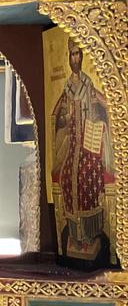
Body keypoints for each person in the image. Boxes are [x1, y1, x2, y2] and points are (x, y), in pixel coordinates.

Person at [51, 41, 115, 262]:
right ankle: (75, 235)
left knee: (86, 175)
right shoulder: (67, 88)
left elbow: (107, 107)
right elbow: (57, 118)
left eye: (78, 54)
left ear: (82, 57)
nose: (75, 59)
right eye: (72, 55)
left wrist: (98, 120)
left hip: (90, 147)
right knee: (68, 175)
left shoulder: (89, 85)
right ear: (68, 58)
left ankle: (90, 234)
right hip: (72, 147)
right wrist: (64, 118)